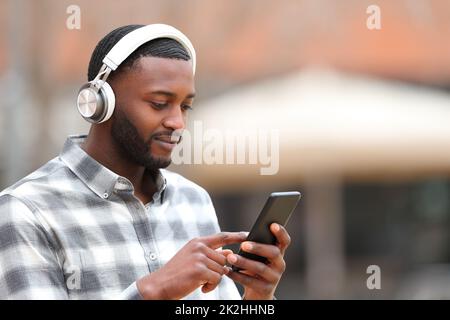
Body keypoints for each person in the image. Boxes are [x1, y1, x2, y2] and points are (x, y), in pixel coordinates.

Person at [0, 24, 291, 300]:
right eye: (159, 103)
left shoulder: (193, 200)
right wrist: (153, 291)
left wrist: (258, 296)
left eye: (185, 106)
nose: (177, 122)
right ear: (100, 103)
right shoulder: (26, 211)